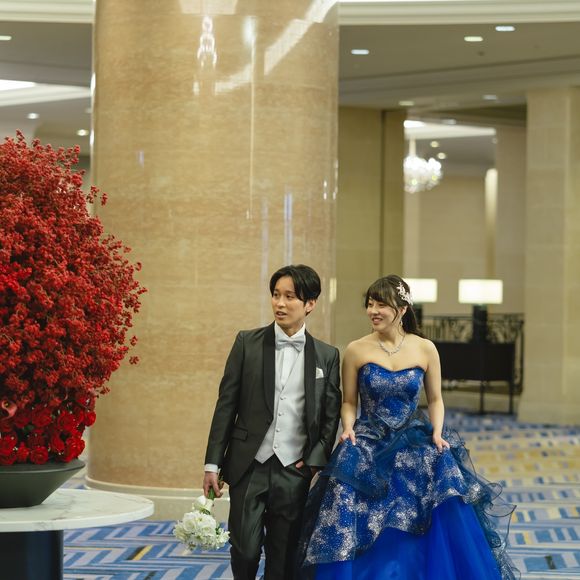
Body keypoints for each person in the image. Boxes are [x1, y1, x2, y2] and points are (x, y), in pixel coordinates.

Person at [297, 275, 519, 579]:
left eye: (381, 305)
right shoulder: (356, 350)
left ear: (402, 309)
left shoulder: (425, 348)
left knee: (438, 496)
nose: (373, 311)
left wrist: (437, 432)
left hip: (413, 438)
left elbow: (436, 399)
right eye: (370, 304)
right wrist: (347, 428)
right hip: (369, 438)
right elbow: (348, 401)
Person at [203, 264, 341, 580]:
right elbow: (225, 406)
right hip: (248, 465)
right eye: (276, 295)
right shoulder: (246, 343)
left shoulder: (327, 355)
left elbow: (330, 416)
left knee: (283, 556)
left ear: (310, 304)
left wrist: (313, 463)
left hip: (294, 469)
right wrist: (212, 464)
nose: (280, 303)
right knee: (245, 550)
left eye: (290, 297)